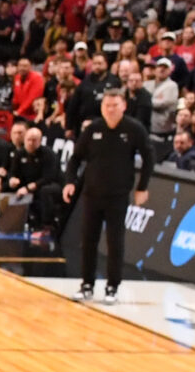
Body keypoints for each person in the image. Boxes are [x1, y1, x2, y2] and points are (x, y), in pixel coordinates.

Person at [64, 87, 153, 302]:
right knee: (88, 240)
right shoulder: (93, 128)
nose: (110, 109)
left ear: (123, 106)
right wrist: (70, 182)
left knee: (115, 242)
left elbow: (149, 157)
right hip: (92, 193)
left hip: (118, 195)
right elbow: (75, 158)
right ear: (101, 107)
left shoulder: (133, 129)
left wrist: (142, 187)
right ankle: (86, 284)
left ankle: (112, 287)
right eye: (107, 105)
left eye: (115, 105)